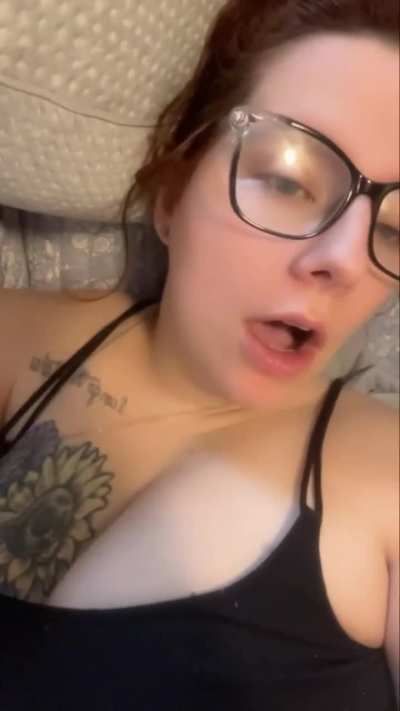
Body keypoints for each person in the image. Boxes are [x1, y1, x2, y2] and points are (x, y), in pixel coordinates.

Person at [0, 0, 398, 708]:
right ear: (172, 194)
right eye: (288, 181)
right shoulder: (19, 339)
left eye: (395, 230)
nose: (346, 260)